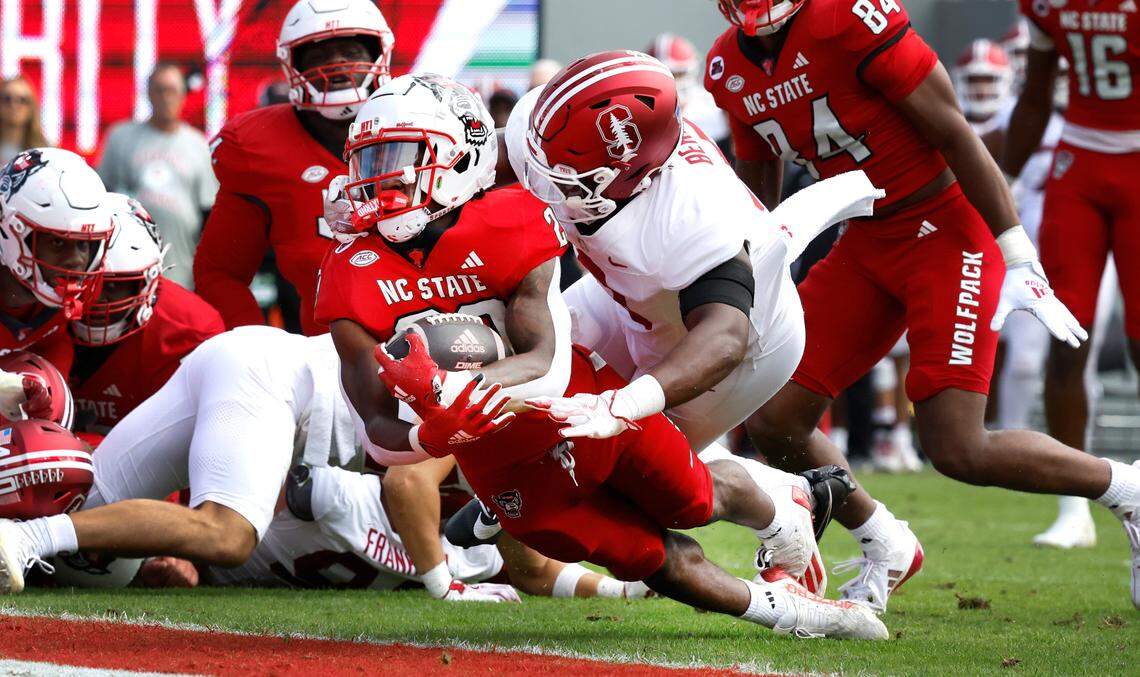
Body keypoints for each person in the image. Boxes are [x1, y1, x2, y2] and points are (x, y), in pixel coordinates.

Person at [319, 73, 831, 602]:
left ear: (625, 165)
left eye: (565, 166)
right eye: (373, 162)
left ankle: (793, 508)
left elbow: (720, 338)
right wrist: (429, 434)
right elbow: (482, 154)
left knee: (668, 493)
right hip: (614, 298)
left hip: (736, 340)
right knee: (569, 500)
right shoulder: (524, 141)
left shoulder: (693, 211)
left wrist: (624, 402)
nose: (540, 174)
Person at [706, 0, 1140, 612]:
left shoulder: (849, 18)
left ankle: (1128, 488)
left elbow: (953, 130)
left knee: (958, 447)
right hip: (867, 241)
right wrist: (751, 286)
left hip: (946, 229)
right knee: (774, 417)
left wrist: (1015, 252)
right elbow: (758, 193)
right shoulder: (727, 65)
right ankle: (885, 542)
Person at [372, 329, 886, 639]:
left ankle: (786, 504)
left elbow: (547, 333)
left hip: (577, 403)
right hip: (513, 480)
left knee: (691, 501)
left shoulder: (512, 232)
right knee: (653, 561)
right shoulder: (361, 293)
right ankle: (793, 613)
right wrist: (425, 429)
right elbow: (387, 447)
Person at [0, 326, 362, 594]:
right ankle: (25, 537)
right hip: (277, 378)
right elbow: (406, 482)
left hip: (253, 352)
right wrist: (424, 574)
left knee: (80, 505)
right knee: (227, 533)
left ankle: (24, 532)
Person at [1002, 0, 1140, 559]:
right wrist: (1006, 176)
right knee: (1066, 335)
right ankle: (1074, 507)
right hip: (1078, 165)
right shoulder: (1046, 5)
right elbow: (1037, 93)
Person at [143, 464, 647, 600]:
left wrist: (620, 589)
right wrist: (187, 547)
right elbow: (248, 488)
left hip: (219, 575)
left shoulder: (467, 552)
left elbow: (536, 574)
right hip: (202, 552)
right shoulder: (346, 491)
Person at [193, 0, 394, 336]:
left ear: (380, 52)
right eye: (318, 56)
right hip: (325, 356)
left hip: (433, 335)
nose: (337, 66)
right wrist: (262, 352)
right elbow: (220, 273)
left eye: (350, 51)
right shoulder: (258, 147)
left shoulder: (421, 119)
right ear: (290, 65)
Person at [68, 194, 225, 433]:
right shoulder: (39, 306)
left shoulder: (186, 328)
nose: (97, 300)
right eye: (87, 283)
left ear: (148, 280)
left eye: (111, 285)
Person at [97, 64, 217, 290]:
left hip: (181, 267)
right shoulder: (121, 137)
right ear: (149, 93)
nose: (165, 97)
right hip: (125, 265)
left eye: (172, 90)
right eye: (159, 90)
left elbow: (208, 213)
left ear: (183, 95)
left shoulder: (199, 145)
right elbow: (102, 195)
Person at [0, 148, 115, 376]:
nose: (77, 261)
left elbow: (55, 341)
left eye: (84, 244)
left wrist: (45, 381)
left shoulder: (82, 289)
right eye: (58, 243)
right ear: (11, 231)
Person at [645, 33, 730, 148]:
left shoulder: (715, 107)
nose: (672, 81)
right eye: (662, 75)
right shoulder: (641, 112)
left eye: (677, 74)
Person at [0, 77, 48, 166]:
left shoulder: (47, 151)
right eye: (7, 99)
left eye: (22, 100)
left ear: (31, 107)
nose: (14, 105)